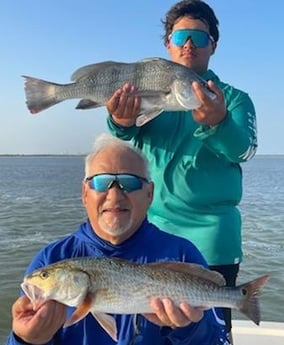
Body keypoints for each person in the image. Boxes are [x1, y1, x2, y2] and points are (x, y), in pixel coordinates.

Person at [106, 0, 257, 340]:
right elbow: (125, 138)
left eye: (199, 38)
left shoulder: (234, 99)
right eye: (181, 36)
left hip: (212, 238)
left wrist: (219, 123)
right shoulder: (150, 90)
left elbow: (245, 149)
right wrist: (119, 120)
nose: (189, 44)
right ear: (168, 44)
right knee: (146, 333)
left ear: (213, 46)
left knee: (210, 333)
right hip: (151, 231)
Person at [6, 134, 230, 345]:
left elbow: (220, 340)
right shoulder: (51, 258)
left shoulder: (181, 253)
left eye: (129, 183)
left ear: (150, 193)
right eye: (101, 183)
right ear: (85, 193)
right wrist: (26, 340)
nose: (114, 195)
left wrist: (188, 329)